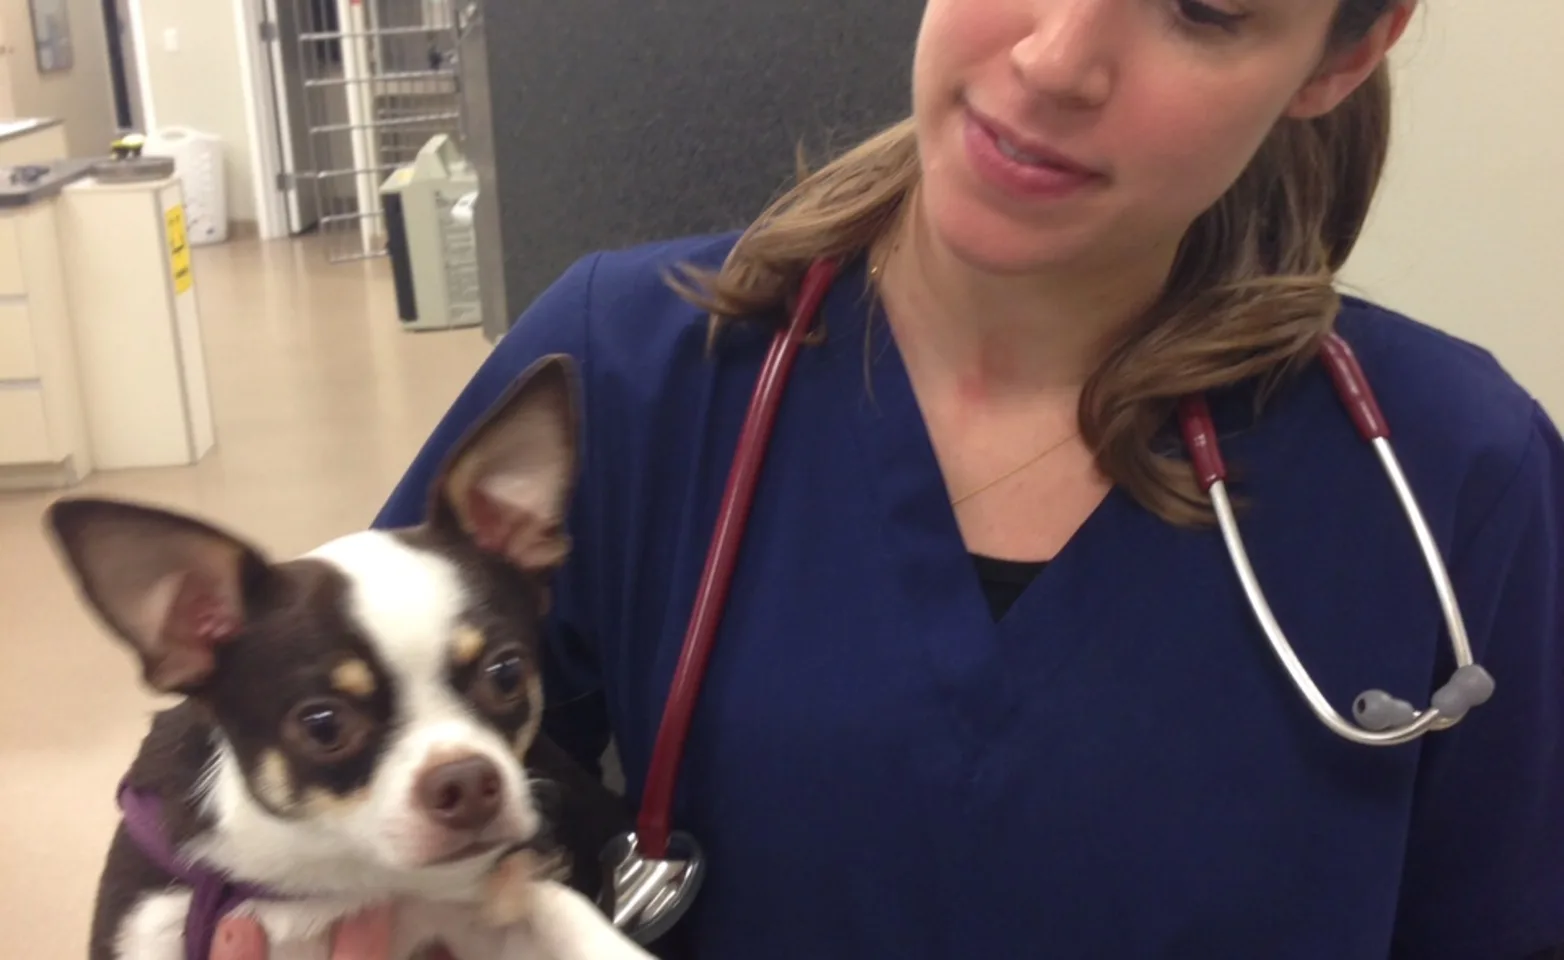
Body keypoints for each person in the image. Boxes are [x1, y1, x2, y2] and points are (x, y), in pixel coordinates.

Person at [218, 0, 1564, 957]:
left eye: (1203, 8)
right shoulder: (624, 371)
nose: (1054, 56)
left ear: (1342, 55)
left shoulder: (1453, 476)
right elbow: (300, 785)